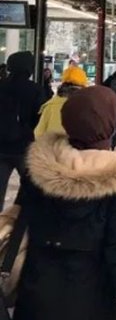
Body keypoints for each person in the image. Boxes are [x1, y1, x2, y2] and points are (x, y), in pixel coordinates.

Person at [13, 86, 116, 320]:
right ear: (110, 123)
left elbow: (22, 223)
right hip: (93, 302)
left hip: (35, 298)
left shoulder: (38, 168)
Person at [0, 51, 44, 210]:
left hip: (1, 147)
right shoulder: (35, 89)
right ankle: (21, 223)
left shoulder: (2, 86)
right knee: (31, 189)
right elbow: (39, 119)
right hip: (24, 146)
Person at [34, 66, 88, 138]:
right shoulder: (87, 105)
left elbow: (38, 133)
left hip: (54, 147)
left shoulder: (51, 105)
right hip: (77, 148)